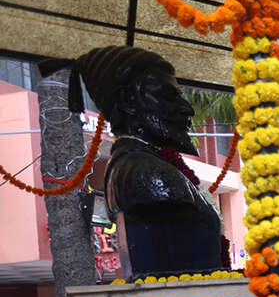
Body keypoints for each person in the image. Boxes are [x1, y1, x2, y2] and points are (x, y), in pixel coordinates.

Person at [53, 46, 225, 278]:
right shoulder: (146, 172)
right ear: (128, 102)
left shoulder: (145, 165)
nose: (187, 109)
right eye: (169, 96)